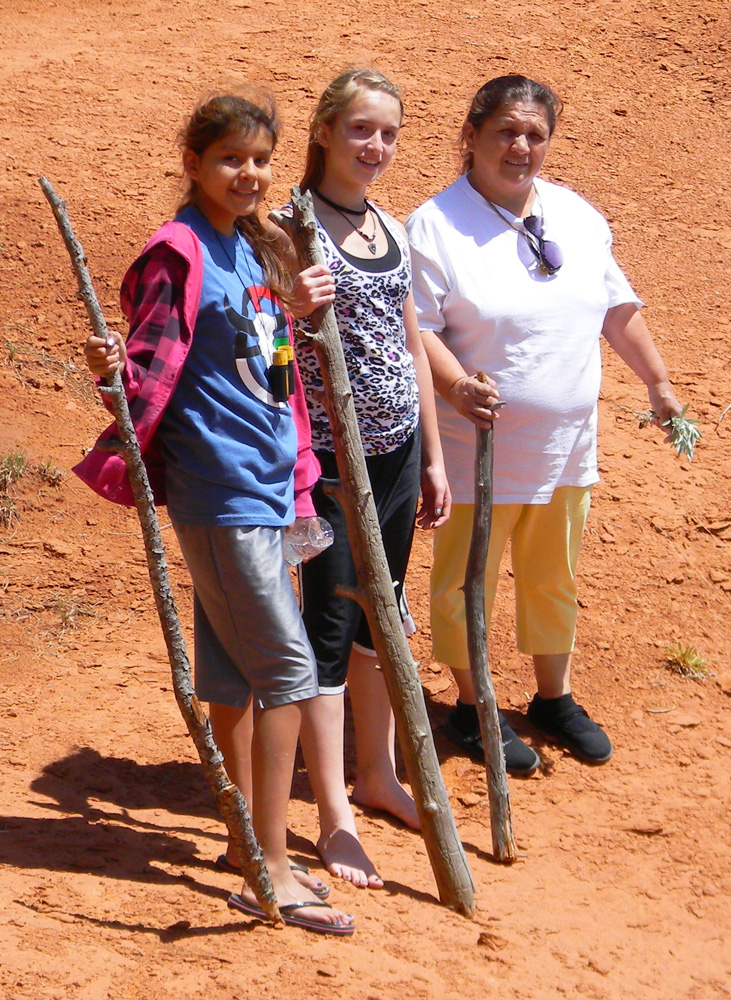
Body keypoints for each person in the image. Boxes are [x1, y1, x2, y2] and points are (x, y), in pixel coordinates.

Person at [75, 93, 353, 935]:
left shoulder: (254, 249)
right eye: (231, 158)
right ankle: (268, 869)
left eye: (261, 160)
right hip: (221, 493)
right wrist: (108, 373)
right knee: (287, 675)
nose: (250, 174)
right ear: (192, 162)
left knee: (236, 675)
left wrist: (292, 314)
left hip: (267, 488)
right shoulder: (179, 254)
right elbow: (148, 364)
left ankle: (245, 842)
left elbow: (266, 372)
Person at [406, 75, 684, 776]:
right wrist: (458, 385)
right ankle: (472, 706)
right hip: (478, 452)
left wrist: (657, 382)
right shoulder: (434, 227)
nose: (520, 146)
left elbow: (614, 306)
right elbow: (420, 330)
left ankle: (552, 697)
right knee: (466, 583)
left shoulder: (576, 216)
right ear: (469, 136)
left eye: (534, 134)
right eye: (504, 131)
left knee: (551, 576)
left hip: (564, 448)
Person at [273, 69, 450, 884]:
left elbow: (411, 341)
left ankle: (377, 776)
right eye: (359, 130)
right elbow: (264, 343)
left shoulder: (387, 224)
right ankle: (332, 814)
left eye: (387, 133)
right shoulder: (287, 227)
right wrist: (288, 313)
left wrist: (436, 455)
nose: (374, 146)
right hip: (328, 463)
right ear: (322, 133)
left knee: (386, 615)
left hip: (398, 452)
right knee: (331, 625)